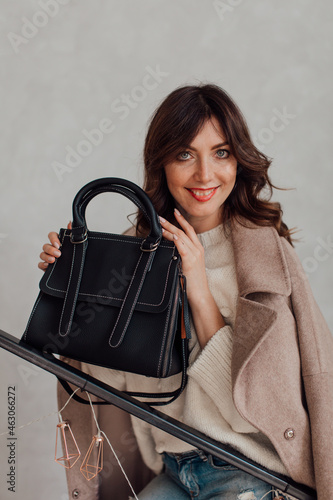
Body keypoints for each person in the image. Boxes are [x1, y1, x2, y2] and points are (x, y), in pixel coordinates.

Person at [39, 84, 333, 500]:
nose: (204, 175)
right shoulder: (132, 251)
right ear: (161, 163)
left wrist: (198, 292)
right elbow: (109, 385)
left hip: (250, 473)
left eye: (221, 152)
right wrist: (73, 291)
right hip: (175, 471)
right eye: (184, 154)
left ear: (238, 159)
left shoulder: (268, 260)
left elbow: (261, 413)